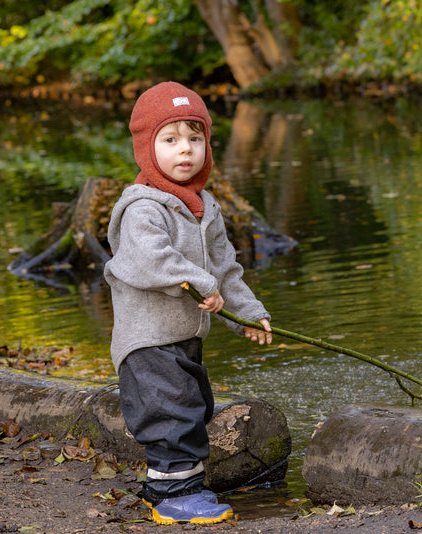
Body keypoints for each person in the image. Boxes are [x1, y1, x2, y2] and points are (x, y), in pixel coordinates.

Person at [103, 81, 272, 525]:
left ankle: (171, 487)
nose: (185, 150)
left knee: (193, 408)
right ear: (146, 148)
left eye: (195, 139)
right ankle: (174, 496)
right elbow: (151, 261)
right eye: (171, 139)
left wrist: (249, 315)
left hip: (183, 336)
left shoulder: (204, 207)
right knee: (169, 415)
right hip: (147, 341)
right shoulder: (142, 207)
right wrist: (199, 281)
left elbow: (226, 269)